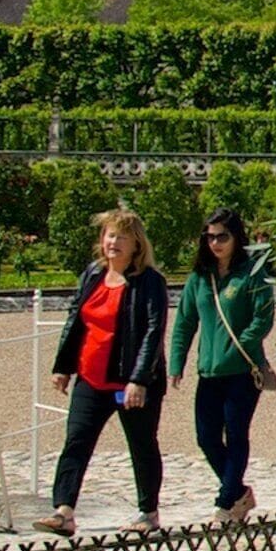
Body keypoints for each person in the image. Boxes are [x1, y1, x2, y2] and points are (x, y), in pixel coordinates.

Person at [41, 210, 168, 534]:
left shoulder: (150, 282)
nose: (113, 242)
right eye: (110, 235)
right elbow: (76, 320)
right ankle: (64, 510)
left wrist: (139, 379)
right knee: (76, 441)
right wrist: (63, 367)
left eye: (121, 236)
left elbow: (154, 331)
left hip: (131, 383)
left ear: (136, 243)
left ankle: (148, 513)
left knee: (141, 445)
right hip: (92, 378)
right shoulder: (92, 274)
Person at [169, 207, 275, 522]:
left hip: (242, 370)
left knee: (237, 433)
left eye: (222, 236)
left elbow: (263, 317)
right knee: (206, 437)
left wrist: (239, 344)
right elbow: (184, 322)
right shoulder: (199, 278)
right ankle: (239, 493)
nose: (215, 243)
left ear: (236, 237)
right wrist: (177, 362)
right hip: (209, 372)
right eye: (210, 236)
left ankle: (226, 502)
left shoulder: (252, 273)